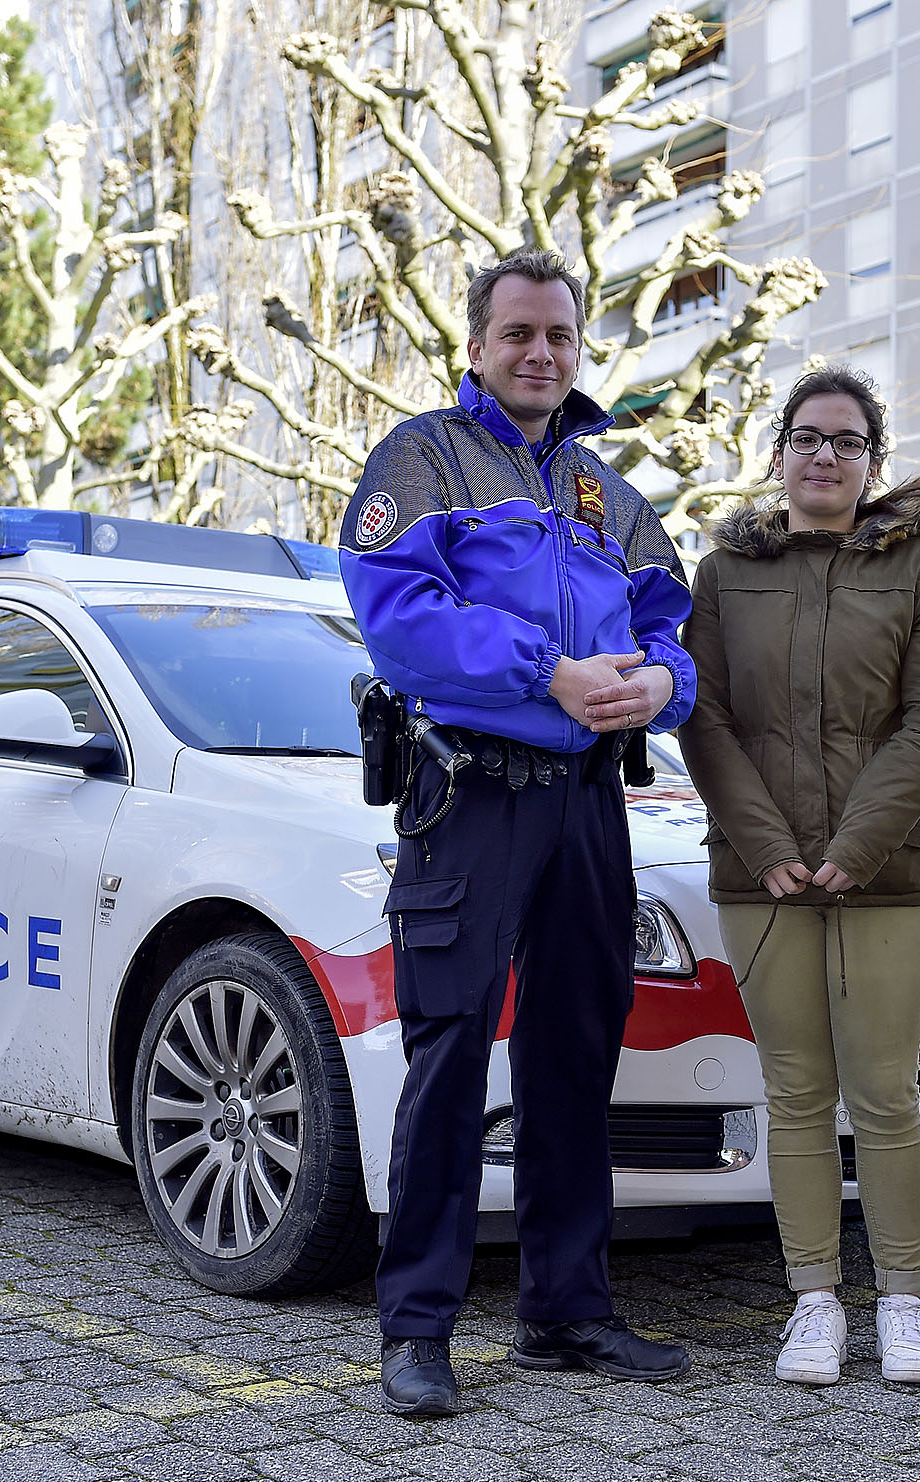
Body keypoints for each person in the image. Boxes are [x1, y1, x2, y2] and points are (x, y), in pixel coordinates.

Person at [338, 248, 697, 1417]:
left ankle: (565, 1311)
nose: (540, 354)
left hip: (590, 800)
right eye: (518, 335)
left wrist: (662, 690)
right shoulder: (423, 457)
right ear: (478, 344)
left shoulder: (610, 494)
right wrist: (544, 671)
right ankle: (418, 1330)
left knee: (572, 1057)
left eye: (558, 336)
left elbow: (673, 629)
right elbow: (399, 620)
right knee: (448, 1054)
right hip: (472, 794)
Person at [677, 368, 920, 1388]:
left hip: (886, 876)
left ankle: (900, 1301)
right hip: (762, 880)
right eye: (806, 436)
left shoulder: (918, 571)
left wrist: (858, 841)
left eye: (846, 441)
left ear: (872, 464)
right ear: (778, 454)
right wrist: (766, 846)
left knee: (884, 1092)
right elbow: (702, 720)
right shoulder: (720, 575)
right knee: (794, 1092)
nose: (824, 455)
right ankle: (811, 1303)